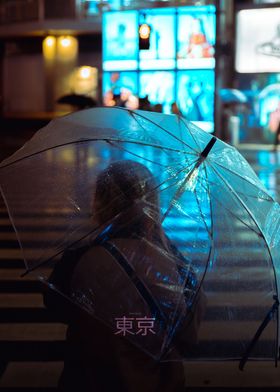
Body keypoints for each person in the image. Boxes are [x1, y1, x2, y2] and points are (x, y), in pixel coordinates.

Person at [43, 160, 205, 391]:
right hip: (157, 379)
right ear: (153, 204)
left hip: (88, 378)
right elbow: (189, 331)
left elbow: (55, 304)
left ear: (101, 203)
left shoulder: (79, 257)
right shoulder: (174, 262)